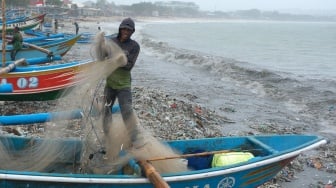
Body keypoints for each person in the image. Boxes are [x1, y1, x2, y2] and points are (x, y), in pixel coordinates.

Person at [102, 18, 142, 148]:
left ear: (132, 32)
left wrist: (119, 59)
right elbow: (102, 57)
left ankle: (135, 139)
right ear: (120, 29)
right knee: (106, 110)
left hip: (124, 84)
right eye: (124, 29)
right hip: (110, 83)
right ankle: (107, 136)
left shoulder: (134, 46)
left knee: (126, 111)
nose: (126, 31)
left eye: (129, 30)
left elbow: (129, 66)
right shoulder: (112, 42)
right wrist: (100, 46)